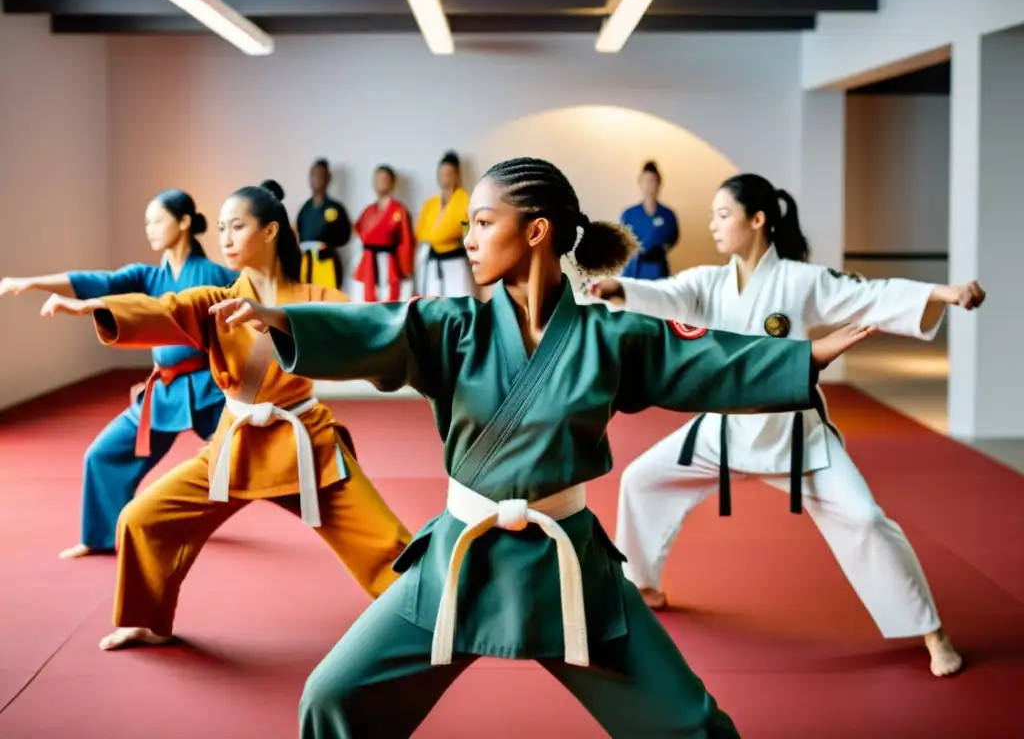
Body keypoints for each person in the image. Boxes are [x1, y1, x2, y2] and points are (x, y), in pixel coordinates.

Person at [213, 158, 875, 738]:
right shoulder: (456, 328)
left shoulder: (609, 338)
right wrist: (286, 319)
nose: (466, 240)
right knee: (334, 698)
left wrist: (804, 357)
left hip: (568, 569)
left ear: (535, 232)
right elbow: (385, 323)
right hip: (459, 562)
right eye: (467, 225)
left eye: (481, 222)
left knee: (690, 724)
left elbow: (703, 357)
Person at [590, 172, 985, 679]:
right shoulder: (710, 282)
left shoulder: (799, 281)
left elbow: (871, 294)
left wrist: (944, 292)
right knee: (641, 479)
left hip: (796, 439)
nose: (713, 224)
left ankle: (931, 631)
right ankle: (642, 583)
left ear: (758, 220)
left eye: (723, 214)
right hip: (723, 431)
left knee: (865, 519)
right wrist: (618, 287)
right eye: (712, 215)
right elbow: (665, 295)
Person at [39, 180, 411, 651]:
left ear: (272, 231)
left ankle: (430, 618)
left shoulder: (316, 296)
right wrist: (96, 305)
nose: (226, 238)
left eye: (238, 226)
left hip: (306, 448)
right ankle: (146, 620)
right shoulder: (213, 300)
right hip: (235, 446)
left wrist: (279, 317)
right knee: (142, 518)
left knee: (388, 544)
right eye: (220, 228)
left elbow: (366, 324)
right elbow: (164, 310)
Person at [0, 189, 236, 559]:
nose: (150, 229)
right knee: (102, 454)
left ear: (185, 222)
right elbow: (99, 282)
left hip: (212, 390)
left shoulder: (215, 275)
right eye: (146, 222)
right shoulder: (149, 276)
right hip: (165, 389)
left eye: (157, 220)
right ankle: (101, 536)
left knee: (257, 454)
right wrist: (33, 283)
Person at [414, 150, 474, 298]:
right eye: (441, 174)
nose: (444, 178)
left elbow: (467, 230)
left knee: (458, 302)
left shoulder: (465, 200)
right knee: (432, 304)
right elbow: (421, 233)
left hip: (455, 261)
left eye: (448, 173)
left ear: (456, 175)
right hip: (432, 261)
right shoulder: (430, 203)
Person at [352, 165, 415, 302]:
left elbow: (406, 242)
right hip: (368, 263)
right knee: (365, 301)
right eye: (377, 179)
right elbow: (359, 238)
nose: (380, 182)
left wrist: (405, 270)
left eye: (384, 179)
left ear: (392, 182)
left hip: (390, 264)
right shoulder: (367, 211)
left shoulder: (399, 211)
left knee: (390, 300)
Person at [296, 158, 352, 290]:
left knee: (328, 300)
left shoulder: (336, 208)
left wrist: (327, 246)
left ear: (328, 178)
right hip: (307, 261)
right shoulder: (305, 209)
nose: (317, 179)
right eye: (313, 175)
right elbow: (299, 233)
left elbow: (345, 236)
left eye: (321, 175)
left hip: (327, 262)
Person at [619, 160, 679, 280]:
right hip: (634, 272)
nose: (649, 185)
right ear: (640, 182)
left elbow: (673, 238)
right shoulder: (629, 215)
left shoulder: (668, 215)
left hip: (659, 274)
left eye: (653, 180)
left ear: (659, 182)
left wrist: (659, 250)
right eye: (646, 180)